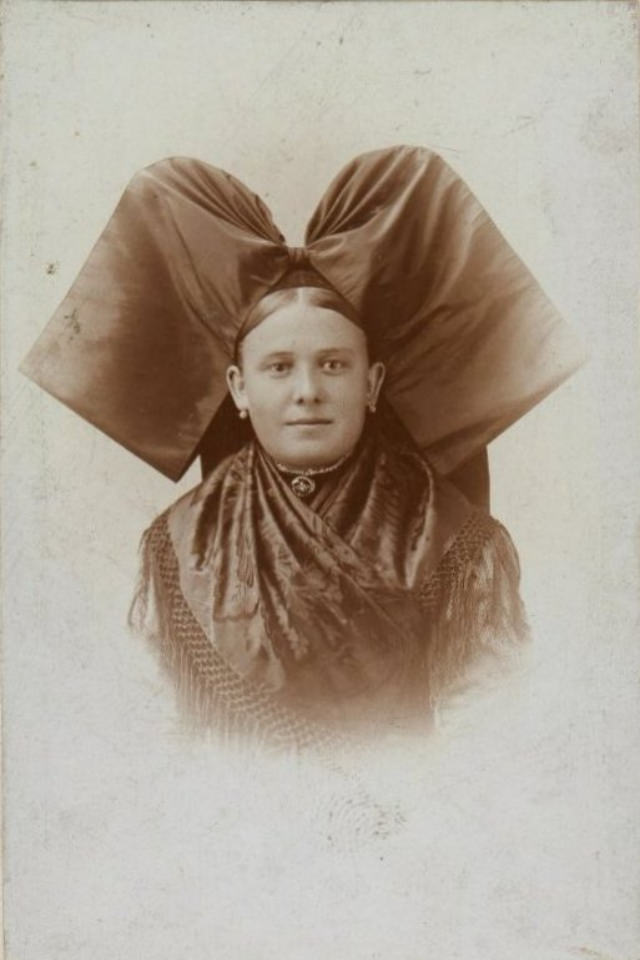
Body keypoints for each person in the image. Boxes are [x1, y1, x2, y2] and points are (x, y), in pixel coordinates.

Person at [22, 146, 585, 750]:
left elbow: (496, 739)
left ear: (372, 385)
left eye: (334, 365)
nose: (307, 392)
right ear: (238, 388)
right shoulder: (177, 548)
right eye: (279, 368)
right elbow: (155, 742)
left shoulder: (457, 543)